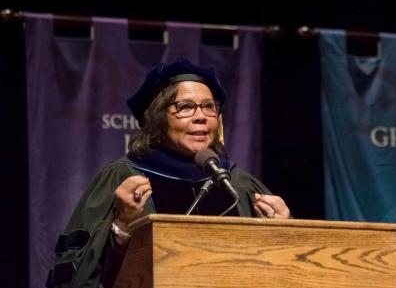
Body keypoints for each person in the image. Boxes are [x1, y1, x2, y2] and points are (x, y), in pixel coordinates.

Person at [45, 58, 290, 288]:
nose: (201, 117)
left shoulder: (238, 184)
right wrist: (121, 229)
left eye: (209, 106)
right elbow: (79, 276)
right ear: (158, 119)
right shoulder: (124, 178)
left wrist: (282, 234)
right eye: (185, 107)